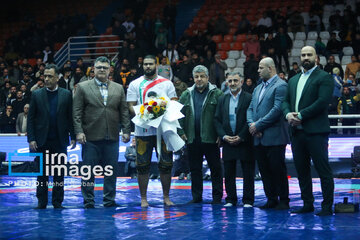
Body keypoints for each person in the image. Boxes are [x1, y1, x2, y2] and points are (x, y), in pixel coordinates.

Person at [282, 46, 335, 216]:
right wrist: (288, 114)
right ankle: (307, 204)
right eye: (303, 55)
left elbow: (322, 101)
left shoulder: (324, 77)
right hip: (297, 132)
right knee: (301, 170)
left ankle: (327, 206)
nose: (306, 57)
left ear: (316, 58)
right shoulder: (293, 80)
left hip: (316, 132)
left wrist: (302, 114)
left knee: (323, 170)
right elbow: (285, 102)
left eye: (309, 55)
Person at [73, 56, 131, 208]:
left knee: (111, 171)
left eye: (105, 67)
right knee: (88, 172)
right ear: (93, 68)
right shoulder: (83, 87)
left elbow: (124, 111)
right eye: (99, 67)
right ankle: (88, 201)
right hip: (90, 137)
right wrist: (78, 132)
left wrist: (126, 130)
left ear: (110, 70)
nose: (102, 70)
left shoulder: (118, 88)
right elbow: (77, 112)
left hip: (112, 136)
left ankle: (109, 200)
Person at [127, 55, 177, 208]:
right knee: (142, 165)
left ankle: (166, 197)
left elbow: (174, 102)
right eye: (145, 64)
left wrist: (161, 112)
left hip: (164, 130)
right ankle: (143, 198)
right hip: (142, 130)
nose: (148, 66)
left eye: (150, 64)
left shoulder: (167, 83)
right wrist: (144, 115)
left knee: (166, 164)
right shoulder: (135, 84)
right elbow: (130, 105)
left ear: (156, 65)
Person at [27, 64, 76, 209]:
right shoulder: (36, 94)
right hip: (41, 141)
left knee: (59, 174)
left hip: (60, 141)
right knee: (42, 174)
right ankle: (41, 202)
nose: (46, 79)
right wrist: (31, 139)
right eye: (45, 76)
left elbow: (70, 117)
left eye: (49, 76)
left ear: (57, 78)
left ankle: (57, 202)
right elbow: (30, 119)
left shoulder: (66, 94)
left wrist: (72, 136)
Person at [247, 57, 290, 210]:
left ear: (270, 69)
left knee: (277, 169)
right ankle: (271, 198)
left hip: (275, 136)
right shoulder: (258, 88)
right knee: (264, 170)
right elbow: (250, 108)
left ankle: (284, 200)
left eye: (261, 68)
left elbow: (277, 110)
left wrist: (257, 126)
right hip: (259, 137)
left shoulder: (281, 85)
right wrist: (252, 124)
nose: (258, 71)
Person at [178, 65, 223, 204]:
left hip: (211, 138)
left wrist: (221, 134)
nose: (199, 79)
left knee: (215, 168)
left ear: (207, 77)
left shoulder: (217, 93)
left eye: (202, 76)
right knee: (195, 169)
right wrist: (181, 132)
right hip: (192, 138)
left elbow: (222, 116)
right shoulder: (186, 94)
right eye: (196, 77)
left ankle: (217, 197)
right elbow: (179, 115)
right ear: (193, 78)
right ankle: (196, 197)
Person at [214, 72, 254, 207]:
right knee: (229, 172)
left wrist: (242, 136)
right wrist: (224, 136)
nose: (232, 83)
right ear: (226, 83)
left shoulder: (249, 98)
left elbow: (251, 119)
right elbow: (217, 120)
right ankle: (231, 199)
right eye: (230, 81)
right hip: (228, 141)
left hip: (245, 141)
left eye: (235, 81)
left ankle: (248, 200)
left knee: (248, 172)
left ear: (241, 82)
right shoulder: (222, 99)